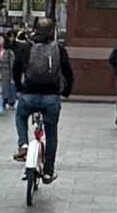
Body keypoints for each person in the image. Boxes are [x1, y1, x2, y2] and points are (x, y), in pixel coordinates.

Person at [12, 16, 74, 180]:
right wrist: (66, 91)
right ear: (52, 31)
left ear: (35, 30)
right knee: (51, 132)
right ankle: (48, 171)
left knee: (20, 116)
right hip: (51, 97)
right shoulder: (59, 49)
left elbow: (16, 69)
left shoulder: (26, 48)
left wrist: (19, 88)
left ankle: (23, 144)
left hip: (29, 95)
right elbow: (68, 72)